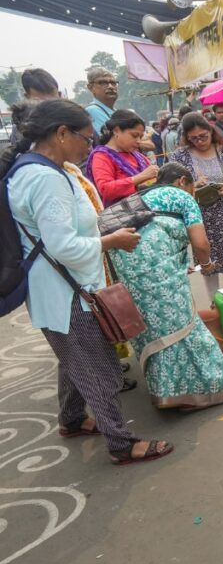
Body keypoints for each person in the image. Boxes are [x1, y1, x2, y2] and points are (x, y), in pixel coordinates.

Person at [4, 98, 173, 465]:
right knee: (100, 368)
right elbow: (63, 245)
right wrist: (112, 240)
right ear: (61, 133)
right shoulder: (46, 178)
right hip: (66, 290)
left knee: (73, 358)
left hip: (59, 288)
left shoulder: (35, 168)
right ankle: (121, 443)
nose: (90, 145)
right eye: (86, 137)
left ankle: (71, 418)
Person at [107, 163, 223, 410]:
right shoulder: (181, 196)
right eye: (192, 189)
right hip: (156, 269)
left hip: (126, 267)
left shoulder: (144, 196)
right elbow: (200, 243)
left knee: (156, 327)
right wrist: (207, 264)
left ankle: (164, 392)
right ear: (181, 182)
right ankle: (199, 389)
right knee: (180, 325)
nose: (193, 196)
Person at [170, 112, 223, 303]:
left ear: (211, 131)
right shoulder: (179, 156)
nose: (199, 142)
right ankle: (216, 303)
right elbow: (171, 189)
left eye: (203, 136)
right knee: (207, 261)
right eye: (193, 139)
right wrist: (193, 186)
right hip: (199, 218)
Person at [84, 109, 160, 207]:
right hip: (123, 216)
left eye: (140, 137)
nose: (138, 141)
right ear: (116, 131)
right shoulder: (102, 157)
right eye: (134, 135)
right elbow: (105, 189)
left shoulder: (136, 155)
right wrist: (141, 177)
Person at [83, 66, 118, 134]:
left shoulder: (115, 112)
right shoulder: (93, 111)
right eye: (103, 83)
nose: (110, 86)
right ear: (91, 87)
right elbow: (107, 140)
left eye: (113, 83)